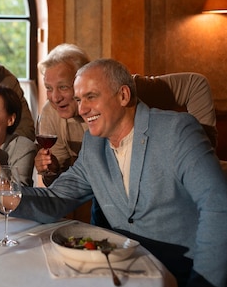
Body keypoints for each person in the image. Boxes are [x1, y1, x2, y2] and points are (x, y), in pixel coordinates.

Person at [0, 59, 227, 287]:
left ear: (123, 96)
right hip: (120, 280)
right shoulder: (94, 146)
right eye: (78, 99)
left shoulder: (176, 130)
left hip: (182, 284)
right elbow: (56, 199)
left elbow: (219, 207)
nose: (82, 109)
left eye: (91, 97)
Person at [35, 44, 218, 186]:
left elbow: (196, 84)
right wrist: (50, 171)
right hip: (106, 182)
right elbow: (64, 183)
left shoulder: (128, 89)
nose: (55, 97)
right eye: (49, 89)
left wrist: (201, 148)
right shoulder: (52, 113)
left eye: (63, 87)